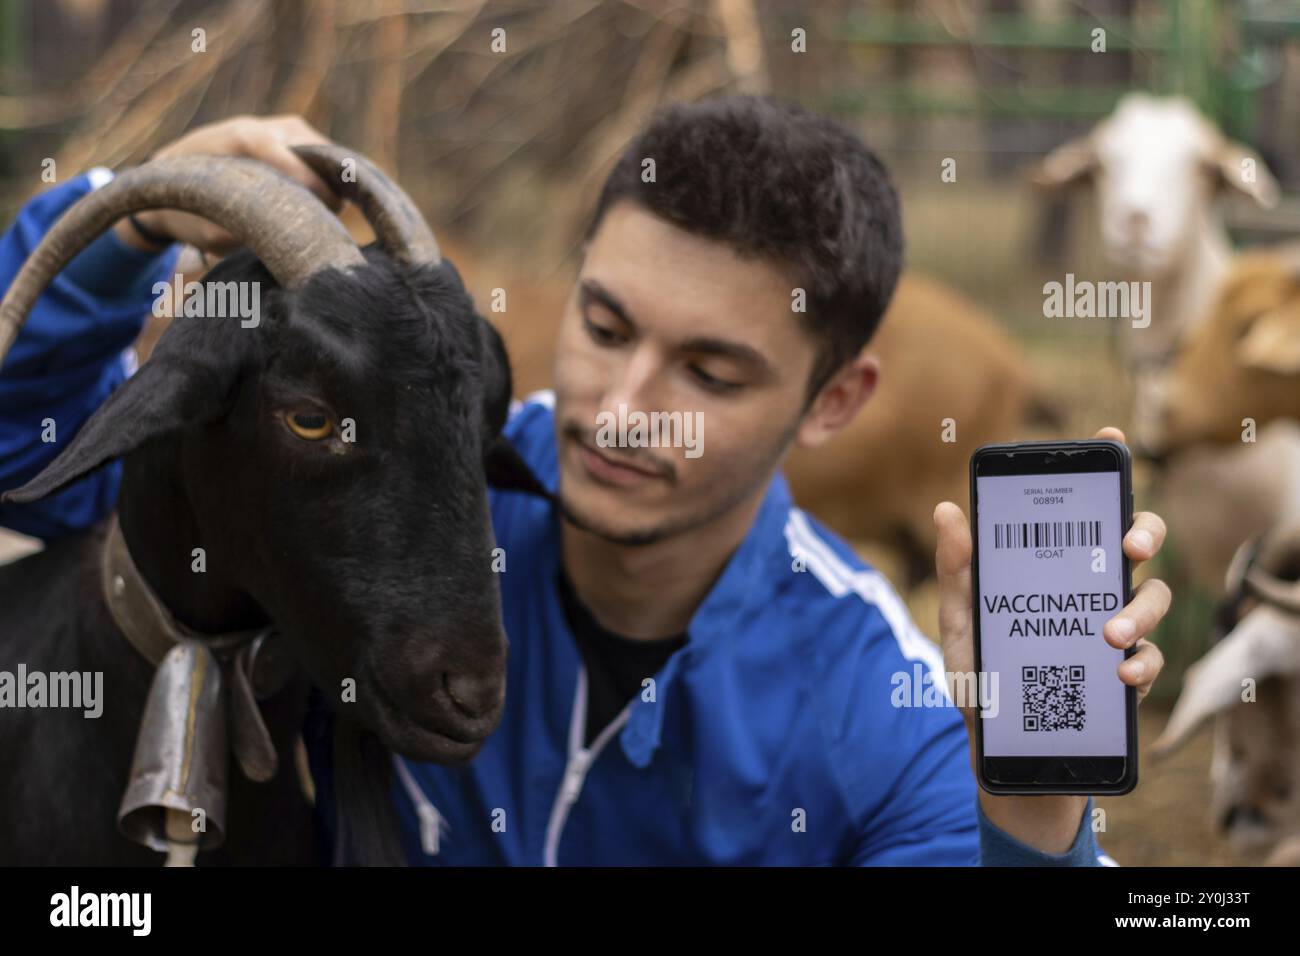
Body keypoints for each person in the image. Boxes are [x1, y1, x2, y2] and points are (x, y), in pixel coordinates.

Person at [0, 100, 1170, 865]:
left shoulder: (883, 709)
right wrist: (134, 219)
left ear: (834, 401)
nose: (621, 406)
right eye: (605, 325)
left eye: (710, 369)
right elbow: (31, 462)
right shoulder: (412, 485)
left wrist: (1024, 807)